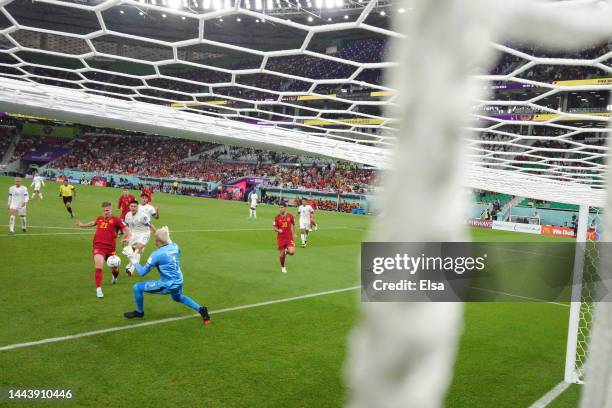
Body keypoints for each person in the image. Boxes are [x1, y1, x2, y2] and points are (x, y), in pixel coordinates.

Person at [124, 226, 211, 325]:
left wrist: (132, 258)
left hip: (168, 284)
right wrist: (166, 235)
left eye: (155, 239)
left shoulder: (156, 255)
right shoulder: (175, 246)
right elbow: (169, 244)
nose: (154, 242)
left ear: (158, 240)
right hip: (179, 280)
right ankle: (201, 310)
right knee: (177, 298)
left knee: (137, 287)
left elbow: (142, 272)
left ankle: (139, 312)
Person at [77, 202, 131, 298]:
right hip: (98, 247)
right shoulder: (100, 218)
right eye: (104, 210)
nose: (105, 212)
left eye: (107, 210)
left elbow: (127, 230)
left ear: (111, 210)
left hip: (110, 249)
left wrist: (125, 238)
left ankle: (114, 277)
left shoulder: (116, 220)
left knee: (115, 268)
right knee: (99, 266)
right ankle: (98, 289)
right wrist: (82, 225)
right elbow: (93, 223)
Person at [122, 200, 156, 275]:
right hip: (133, 234)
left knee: (137, 249)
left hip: (144, 233)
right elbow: (126, 227)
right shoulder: (127, 215)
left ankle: (131, 268)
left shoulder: (143, 216)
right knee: (130, 251)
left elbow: (150, 225)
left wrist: (157, 235)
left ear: (138, 207)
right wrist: (124, 238)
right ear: (129, 207)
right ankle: (130, 265)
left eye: (135, 206)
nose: (133, 208)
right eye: (131, 206)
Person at [273, 202, 297, 273]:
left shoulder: (290, 216)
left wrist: (295, 233)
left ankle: (286, 251)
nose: (280, 209)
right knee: (282, 253)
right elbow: (274, 227)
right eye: (280, 207)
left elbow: (294, 224)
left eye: (282, 207)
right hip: (281, 238)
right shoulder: (277, 217)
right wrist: (278, 230)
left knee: (292, 252)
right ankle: (283, 267)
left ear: (285, 208)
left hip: (289, 237)